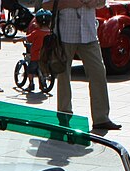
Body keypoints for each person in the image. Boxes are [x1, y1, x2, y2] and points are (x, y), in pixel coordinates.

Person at [43, 0, 120, 132]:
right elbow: (46, 4)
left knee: (99, 72)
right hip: (65, 33)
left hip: (89, 33)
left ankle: (101, 118)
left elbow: (102, 3)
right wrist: (69, 3)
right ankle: (64, 116)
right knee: (63, 75)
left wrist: (95, 2)